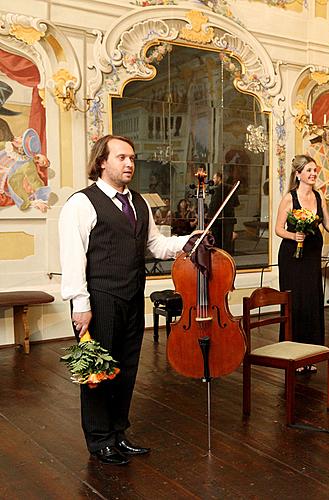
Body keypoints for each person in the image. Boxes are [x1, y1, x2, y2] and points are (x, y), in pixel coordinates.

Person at [59, 135, 194, 465]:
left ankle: (118, 432)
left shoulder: (138, 202)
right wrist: (80, 304)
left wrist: (190, 240)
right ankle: (100, 440)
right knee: (97, 372)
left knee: (126, 370)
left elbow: (156, 246)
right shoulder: (81, 203)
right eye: (121, 157)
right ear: (102, 162)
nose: (129, 163)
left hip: (133, 296)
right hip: (99, 299)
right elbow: (73, 257)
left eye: (132, 158)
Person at [275, 155, 329, 371]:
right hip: (291, 256)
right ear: (298, 174)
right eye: (309, 170)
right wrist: (294, 236)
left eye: (315, 170)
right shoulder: (289, 198)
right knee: (295, 302)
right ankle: (292, 356)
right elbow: (278, 229)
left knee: (312, 300)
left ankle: (309, 355)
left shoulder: (320, 197)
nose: (313, 174)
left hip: (312, 254)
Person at [209, 170, 240, 253]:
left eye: (214, 178)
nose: (213, 180)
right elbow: (236, 203)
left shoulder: (217, 190)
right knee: (227, 244)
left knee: (217, 243)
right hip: (229, 219)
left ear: (219, 178)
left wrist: (209, 217)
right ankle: (227, 260)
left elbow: (214, 206)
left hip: (218, 220)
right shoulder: (231, 188)